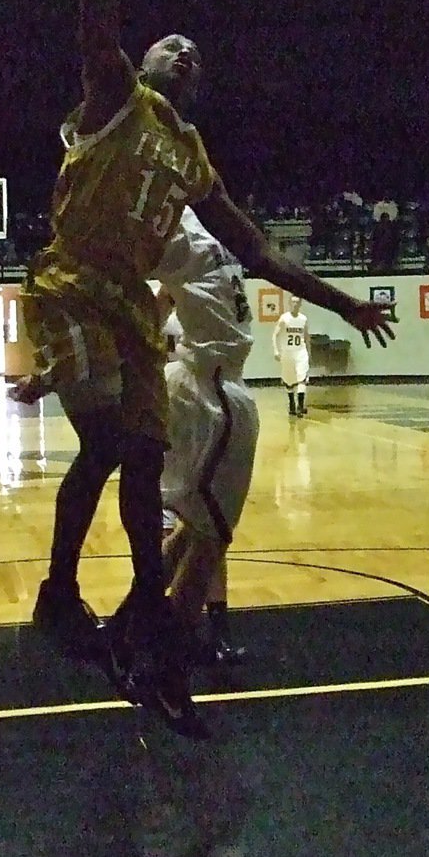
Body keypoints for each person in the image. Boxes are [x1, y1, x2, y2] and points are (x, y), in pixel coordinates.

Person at [11, 0, 394, 736]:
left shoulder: (191, 155)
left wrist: (343, 301)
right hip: (70, 281)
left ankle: (148, 615)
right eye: (170, 42)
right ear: (141, 60)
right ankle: (59, 594)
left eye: (195, 52)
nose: (184, 50)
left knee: (145, 457)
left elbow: (258, 250)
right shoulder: (114, 95)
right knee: (110, 446)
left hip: (132, 309)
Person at [155, 209, 257, 670]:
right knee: (212, 531)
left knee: (199, 528)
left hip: (211, 388)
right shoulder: (173, 241)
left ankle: (137, 621)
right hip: (201, 394)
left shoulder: (212, 236)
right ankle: (166, 654)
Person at [272, 296, 311, 417]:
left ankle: (300, 406)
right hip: (287, 352)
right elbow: (275, 335)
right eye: (293, 302)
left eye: (297, 302)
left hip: (300, 352)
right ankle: (292, 403)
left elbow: (306, 337)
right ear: (290, 303)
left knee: (302, 378)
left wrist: (309, 353)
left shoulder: (303, 319)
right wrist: (276, 350)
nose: (295, 304)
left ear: (300, 304)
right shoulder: (284, 318)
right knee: (289, 381)